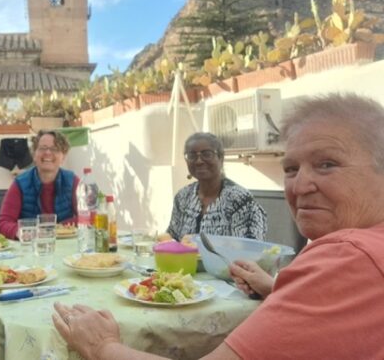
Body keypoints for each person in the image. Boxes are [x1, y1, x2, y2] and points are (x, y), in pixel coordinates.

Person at [52, 93, 384, 360]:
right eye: (291, 169)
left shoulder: (349, 258)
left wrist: (101, 347)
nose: (299, 186)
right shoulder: (362, 255)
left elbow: (250, 248)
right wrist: (275, 287)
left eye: (327, 164)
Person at [165, 132, 267, 241]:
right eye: (191, 155)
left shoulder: (239, 199)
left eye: (207, 154)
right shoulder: (183, 197)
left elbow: (250, 247)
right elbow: (172, 239)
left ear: (221, 158)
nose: (199, 161)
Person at [0, 130, 79, 239]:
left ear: (63, 156)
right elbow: (3, 223)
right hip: (31, 247)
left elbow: (88, 216)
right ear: (34, 155)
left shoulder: (72, 181)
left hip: (65, 246)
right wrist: (21, 232)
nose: (48, 152)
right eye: (42, 148)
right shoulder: (20, 183)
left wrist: (56, 229)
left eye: (54, 149)